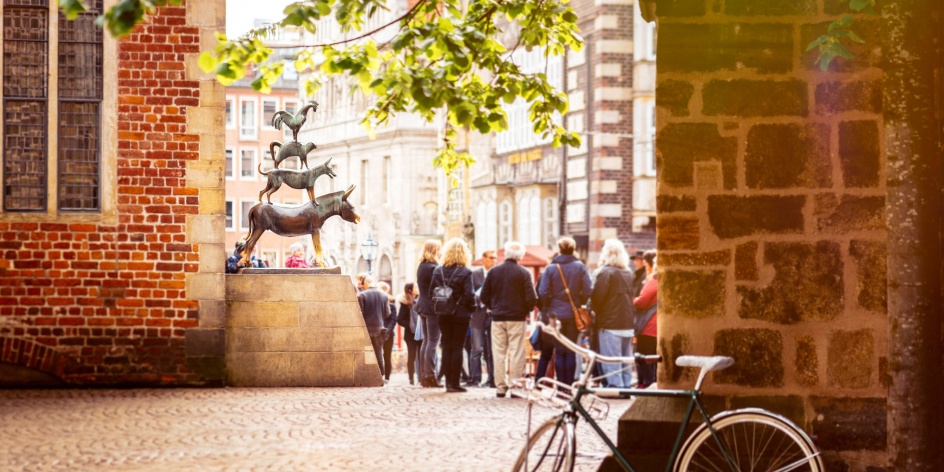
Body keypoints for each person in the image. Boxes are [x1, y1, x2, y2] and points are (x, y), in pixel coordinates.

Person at [480, 241, 537, 398]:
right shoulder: (524, 273)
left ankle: (500, 387)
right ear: (520, 256)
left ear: (505, 253)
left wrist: (494, 306)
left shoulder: (494, 272)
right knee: (517, 352)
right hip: (517, 318)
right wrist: (526, 309)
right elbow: (531, 297)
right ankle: (515, 385)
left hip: (497, 318)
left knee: (498, 352)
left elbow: (483, 295)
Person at [537, 237, 592, 387]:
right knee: (571, 350)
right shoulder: (580, 267)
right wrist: (578, 302)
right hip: (573, 314)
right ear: (574, 249)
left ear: (559, 250)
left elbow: (542, 291)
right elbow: (588, 289)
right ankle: (569, 385)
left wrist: (549, 304)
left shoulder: (550, 268)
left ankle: (561, 385)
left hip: (555, 315)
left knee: (560, 350)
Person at [427, 238, 476, 393]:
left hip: (443, 313)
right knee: (458, 347)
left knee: (446, 346)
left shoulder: (438, 270)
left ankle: (448, 381)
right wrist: (471, 308)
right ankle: (454, 382)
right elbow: (469, 294)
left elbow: (431, 293)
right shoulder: (466, 272)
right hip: (461, 314)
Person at [590, 239, 636, 389]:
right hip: (627, 322)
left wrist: (592, 311)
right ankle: (626, 386)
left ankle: (615, 387)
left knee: (611, 358)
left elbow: (597, 298)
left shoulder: (605, 273)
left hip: (609, 323)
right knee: (625, 358)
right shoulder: (628, 273)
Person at [414, 239, 443, 388]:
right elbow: (439, 289)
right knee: (432, 342)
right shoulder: (434, 267)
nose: (441, 252)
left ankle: (424, 376)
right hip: (432, 308)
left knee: (426, 342)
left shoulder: (422, 266)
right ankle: (430, 375)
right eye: (439, 249)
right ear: (434, 251)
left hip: (423, 306)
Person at [468, 249, 497, 388]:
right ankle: (475, 379)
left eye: (495, 258)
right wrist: (482, 300)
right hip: (477, 316)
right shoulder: (474, 275)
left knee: (492, 349)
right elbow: (469, 294)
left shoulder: (498, 274)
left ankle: (492, 380)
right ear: (483, 259)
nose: (494, 260)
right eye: (491, 258)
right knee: (476, 349)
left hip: (493, 316)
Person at [633, 250, 658, 388]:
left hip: (648, 326)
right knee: (653, 357)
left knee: (643, 356)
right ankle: (650, 383)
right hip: (657, 325)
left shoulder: (654, 281)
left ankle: (648, 384)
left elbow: (641, 302)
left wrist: (631, 300)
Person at [356, 275, 389, 379]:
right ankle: (381, 375)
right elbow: (387, 313)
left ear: (366, 283)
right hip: (379, 328)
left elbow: (360, 313)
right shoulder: (384, 295)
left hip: (366, 329)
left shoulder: (362, 295)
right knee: (379, 353)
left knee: (367, 353)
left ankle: (369, 376)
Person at [534, 253, 559, 381]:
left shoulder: (543, 276)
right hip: (564, 316)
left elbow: (538, 297)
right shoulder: (568, 274)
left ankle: (538, 381)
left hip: (547, 316)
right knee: (563, 353)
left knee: (545, 353)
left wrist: (544, 308)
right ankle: (562, 385)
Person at [397, 283, 421, 385]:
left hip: (421, 332)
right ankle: (411, 378)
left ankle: (421, 377)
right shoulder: (405, 303)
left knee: (421, 355)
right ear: (410, 290)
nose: (417, 289)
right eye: (415, 287)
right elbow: (400, 319)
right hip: (410, 334)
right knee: (412, 356)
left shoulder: (421, 300)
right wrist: (410, 325)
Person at [377, 281, 397, 382]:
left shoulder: (392, 305)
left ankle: (387, 377)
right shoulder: (377, 304)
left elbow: (393, 319)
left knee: (387, 355)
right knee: (378, 354)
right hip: (378, 332)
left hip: (388, 334)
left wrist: (388, 330)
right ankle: (380, 375)